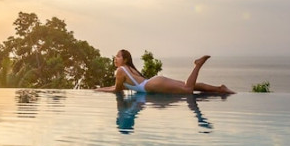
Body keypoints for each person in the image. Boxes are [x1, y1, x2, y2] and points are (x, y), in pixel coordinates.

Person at [96, 50, 235, 95]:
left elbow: (117, 89)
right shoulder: (128, 68)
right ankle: (220, 89)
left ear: (125, 59)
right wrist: (101, 89)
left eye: (118, 56)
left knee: (187, 89)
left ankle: (197, 65)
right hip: (154, 82)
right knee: (190, 85)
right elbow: (120, 87)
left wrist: (97, 90)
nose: (115, 58)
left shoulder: (120, 71)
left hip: (152, 85)